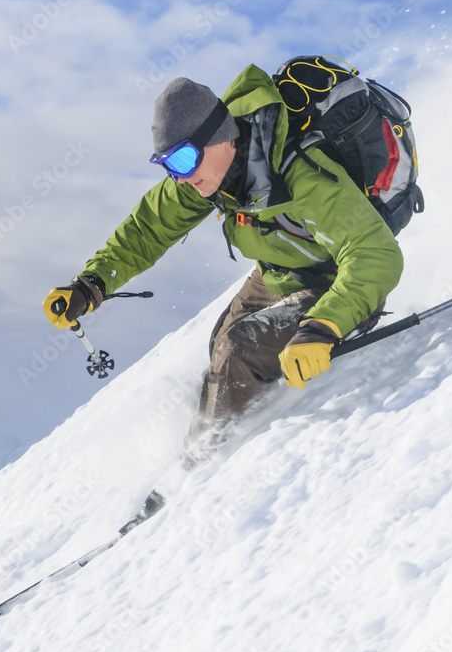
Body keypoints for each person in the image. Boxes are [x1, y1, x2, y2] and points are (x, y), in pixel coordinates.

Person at [43, 63, 403, 459]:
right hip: (279, 272)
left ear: (221, 138)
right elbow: (149, 228)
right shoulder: (206, 176)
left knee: (239, 348)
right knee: (221, 341)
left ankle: (204, 469)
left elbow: (375, 254)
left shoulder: (300, 173)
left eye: (182, 161)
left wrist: (324, 325)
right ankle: (204, 443)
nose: (179, 178)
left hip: (336, 280)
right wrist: (93, 283)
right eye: (167, 166)